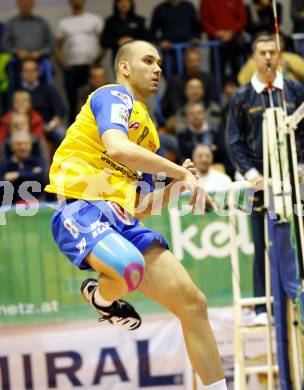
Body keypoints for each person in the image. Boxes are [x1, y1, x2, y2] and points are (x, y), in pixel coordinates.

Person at [45, 40, 227, 389]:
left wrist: (175, 189)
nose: (158, 68)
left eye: (160, 62)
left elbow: (141, 205)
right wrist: (180, 171)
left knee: (194, 303)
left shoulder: (149, 133)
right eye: (148, 60)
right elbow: (116, 146)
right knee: (130, 267)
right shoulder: (112, 95)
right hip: (82, 207)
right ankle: (102, 298)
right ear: (125, 67)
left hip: (124, 218)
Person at [226, 34, 304, 325]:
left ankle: (299, 304)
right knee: (261, 244)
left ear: (280, 55)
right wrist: (252, 175)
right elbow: (234, 142)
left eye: (273, 51)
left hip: (293, 179)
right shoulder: (242, 96)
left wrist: (301, 164)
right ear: (254, 57)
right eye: (262, 52)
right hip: (258, 184)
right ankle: (262, 309)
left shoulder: (294, 90)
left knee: (299, 240)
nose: (269, 57)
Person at [55, 0, 104, 124]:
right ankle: (73, 134)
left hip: (90, 67)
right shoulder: (64, 22)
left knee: (95, 100)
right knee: (73, 103)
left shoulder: (95, 20)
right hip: (71, 68)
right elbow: (56, 47)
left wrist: (97, 62)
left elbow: (103, 44)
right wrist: (63, 65)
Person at [200, 0, 247, 76]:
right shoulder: (206, 1)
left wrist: (231, 32)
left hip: (235, 41)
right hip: (216, 42)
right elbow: (204, 20)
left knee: (239, 73)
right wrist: (216, 33)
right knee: (217, 74)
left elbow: (242, 18)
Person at [0, 130, 46, 205]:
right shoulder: (5, 165)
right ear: (12, 146)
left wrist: (18, 175)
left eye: (26, 143)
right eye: (19, 144)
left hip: (37, 207)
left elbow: (42, 180)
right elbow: (2, 188)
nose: (22, 147)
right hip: (11, 209)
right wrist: (31, 174)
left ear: (30, 145)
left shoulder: (37, 162)